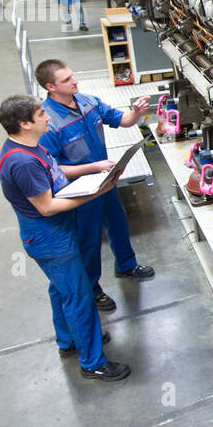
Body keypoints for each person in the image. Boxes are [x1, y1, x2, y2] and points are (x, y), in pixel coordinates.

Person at [0, 95, 131, 381]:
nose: (48, 117)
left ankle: (68, 340)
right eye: (40, 114)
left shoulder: (30, 147)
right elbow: (46, 207)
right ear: (24, 124)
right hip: (49, 235)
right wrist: (95, 193)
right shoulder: (22, 162)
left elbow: (58, 174)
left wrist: (95, 171)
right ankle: (92, 362)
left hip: (56, 230)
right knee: (78, 295)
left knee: (61, 289)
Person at [35, 59, 155, 314]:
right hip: (80, 190)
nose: (74, 81)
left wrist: (136, 112)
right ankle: (93, 289)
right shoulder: (49, 123)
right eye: (66, 80)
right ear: (51, 87)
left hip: (104, 180)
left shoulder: (88, 102)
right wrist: (94, 167)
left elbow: (121, 120)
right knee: (89, 240)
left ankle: (126, 264)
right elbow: (53, 169)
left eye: (72, 75)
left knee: (118, 222)